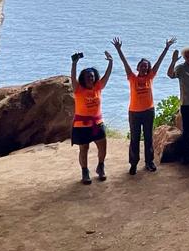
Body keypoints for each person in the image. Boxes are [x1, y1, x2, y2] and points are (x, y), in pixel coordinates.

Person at [112, 36, 174, 175]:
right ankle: (133, 164)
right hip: (134, 112)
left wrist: (166, 48)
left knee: (148, 137)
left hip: (148, 111)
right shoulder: (132, 78)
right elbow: (124, 62)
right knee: (134, 138)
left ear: (148, 68)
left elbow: (159, 62)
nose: (144, 68)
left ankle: (149, 162)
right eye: (142, 66)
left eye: (146, 66)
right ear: (138, 67)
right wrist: (119, 50)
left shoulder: (150, 77)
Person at [69, 49, 113, 185]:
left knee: (102, 147)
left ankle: (100, 167)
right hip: (82, 125)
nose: (91, 78)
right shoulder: (78, 89)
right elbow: (72, 77)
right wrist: (74, 63)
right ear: (83, 77)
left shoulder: (98, 87)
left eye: (92, 76)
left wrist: (111, 62)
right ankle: (85, 171)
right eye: (88, 76)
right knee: (84, 149)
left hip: (97, 123)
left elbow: (107, 76)